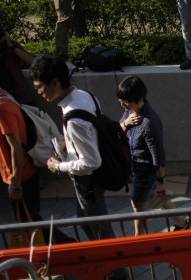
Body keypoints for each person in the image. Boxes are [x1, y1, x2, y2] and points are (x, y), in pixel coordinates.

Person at [0, 53, 71, 243]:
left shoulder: (0, 105)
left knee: (31, 222)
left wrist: (15, 184)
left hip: (22, 177)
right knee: (31, 222)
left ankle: (68, 249)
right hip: (20, 176)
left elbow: (15, 147)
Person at [32, 55, 124, 250]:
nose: (39, 92)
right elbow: (93, 133)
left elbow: (91, 162)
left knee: (97, 226)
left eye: (40, 86)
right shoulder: (84, 96)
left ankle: (115, 268)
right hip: (93, 177)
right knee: (88, 220)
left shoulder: (74, 118)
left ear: (55, 82)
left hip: (88, 180)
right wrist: (69, 143)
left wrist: (58, 167)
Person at [116, 75, 189, 235]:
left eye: (126, 102)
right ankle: (182, 223)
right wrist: (124, 124)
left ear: (139, 98)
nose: (123, 105)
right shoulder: (128, 113)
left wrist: (161, 181)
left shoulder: (149, 122)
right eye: (121, 101)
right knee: (156, 198)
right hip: (134, 167)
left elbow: (158, 155)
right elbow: (118, 131)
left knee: (138, 205)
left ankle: (140, 240)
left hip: (144, 171)